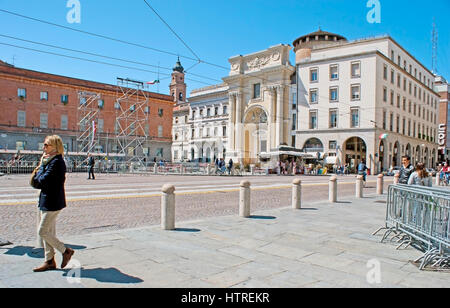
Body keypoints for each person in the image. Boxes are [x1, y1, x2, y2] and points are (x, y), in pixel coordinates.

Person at [32, 135, 74, 272]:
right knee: (48, 232)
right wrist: (40, 174)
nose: (43, 147)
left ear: (55, 147)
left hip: (53, 201)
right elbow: (40, 178)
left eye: (46, 145)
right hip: (46, 199)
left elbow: (42, 180)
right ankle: (49, 261)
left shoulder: (57, 162)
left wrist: (39, 175)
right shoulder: (47, 161)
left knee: (42, 231)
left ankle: (65, 251)